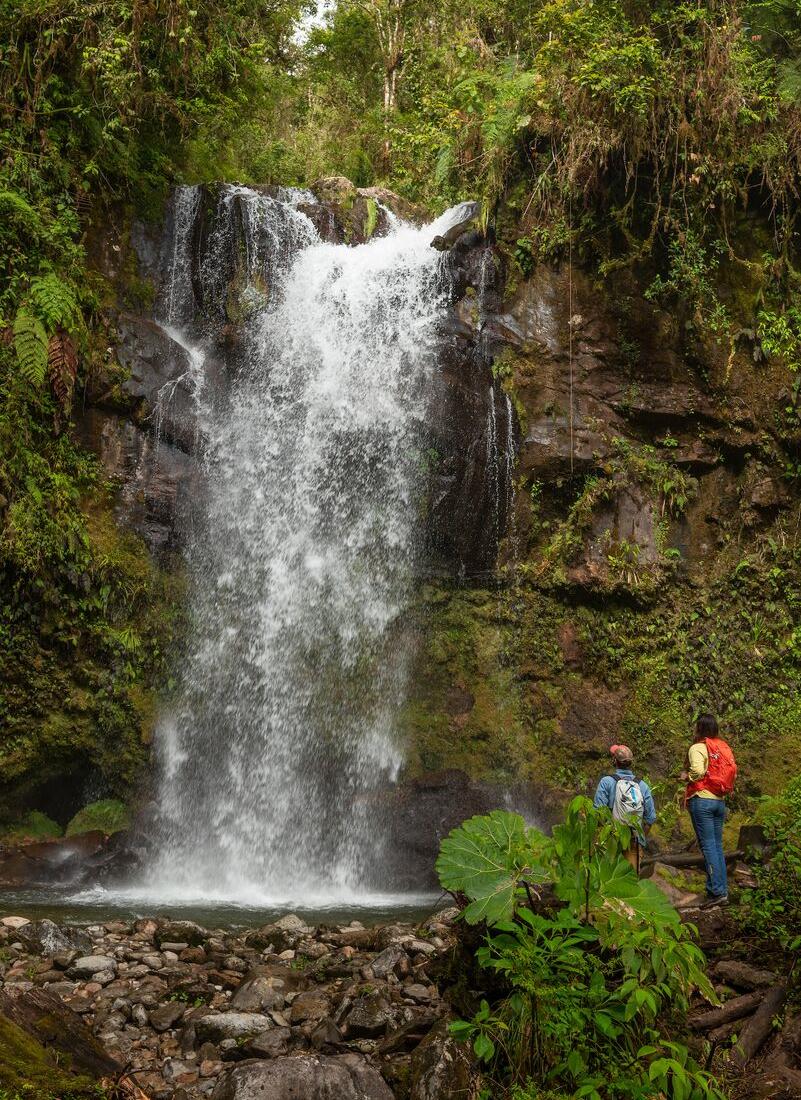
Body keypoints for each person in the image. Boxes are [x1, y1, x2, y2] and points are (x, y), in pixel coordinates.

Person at [681, 713, 736, 908]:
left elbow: (698, 771)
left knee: (708, 846)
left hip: (702, 800)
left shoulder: (698, 747)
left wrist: (686, 777)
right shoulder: (722, 748)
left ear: (699, 728)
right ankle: (721, 891)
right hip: (719, 802)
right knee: (717, 846)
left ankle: (717, 892)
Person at [593, 744, 656, 873]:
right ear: (631, 763)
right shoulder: (642, 785)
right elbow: (650, 819)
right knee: (630, 879)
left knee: (607, 877)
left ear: (614, 761)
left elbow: (598, 812)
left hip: (611, 838)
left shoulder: (607, 782)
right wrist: (639, 837)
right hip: (633, 839)